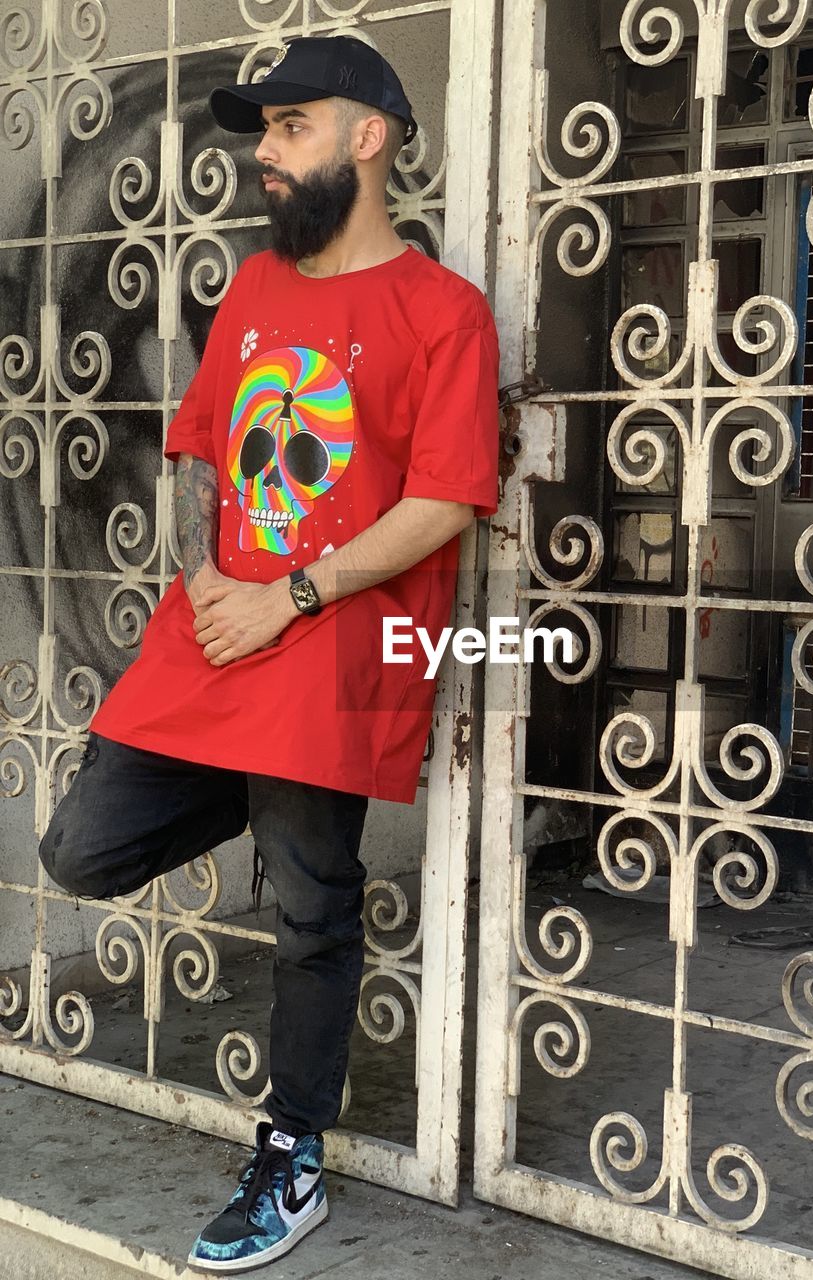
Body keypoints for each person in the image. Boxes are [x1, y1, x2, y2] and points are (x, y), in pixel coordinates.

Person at [38, 34, 500, 1275]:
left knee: (309, 906)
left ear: (371, 135)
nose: (263, 154)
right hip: (211, 636)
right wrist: (205, 580)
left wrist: (289, 592)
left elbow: (449, 494)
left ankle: (290, 1153)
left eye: (290, 127)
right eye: (264, 131)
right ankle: (265, 798)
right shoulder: (252, 291)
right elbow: (199, 450)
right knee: (80, 847)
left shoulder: (441, 310)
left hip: (330, 648)